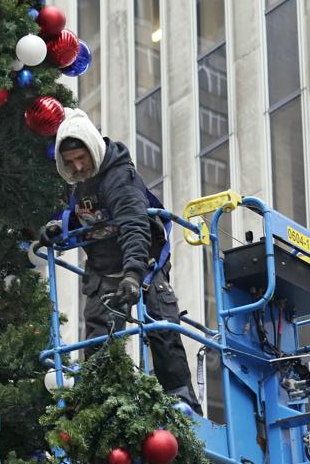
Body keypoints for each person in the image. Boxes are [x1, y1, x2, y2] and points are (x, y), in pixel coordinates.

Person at [40, 108, 202, 413]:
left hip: (143, 265)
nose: (78, 166)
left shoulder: (119, 177)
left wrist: (133, 274)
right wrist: (56, 226)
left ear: (93, 149)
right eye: (71, 162)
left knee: (160, 323)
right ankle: (99, 405)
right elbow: (79, 215)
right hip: (103, 269)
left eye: (82, 159)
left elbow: (135, 225)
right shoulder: (79, 182)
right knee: (99, 337)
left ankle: (181, 400)